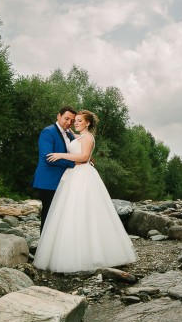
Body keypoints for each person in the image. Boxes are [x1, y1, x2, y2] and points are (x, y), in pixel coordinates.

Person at [33, 110, 137, 273]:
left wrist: (62, 155)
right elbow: (75, 146)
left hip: (82, 175)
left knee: (84, 211)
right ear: (59, 116)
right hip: (72, 176)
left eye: (79, 120)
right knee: (68, 212)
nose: (74, 122)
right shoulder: (75, 135)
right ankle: (60, 250)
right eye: (73, 120)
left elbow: (83, 156)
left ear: (88, 123)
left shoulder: (87, 137)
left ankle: (87, 253)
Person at [32, 106, 77, 233]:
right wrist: (74, 163)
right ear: (58, 116)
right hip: (49, 181)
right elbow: (48, 157)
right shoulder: (48, 131)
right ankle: (44, 248)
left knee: (60, 215)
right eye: (66, 119)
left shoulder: (69, 134)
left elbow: (78, 150)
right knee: (48, 214)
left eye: (72, 121)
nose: (69, 123)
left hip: (64, 180)